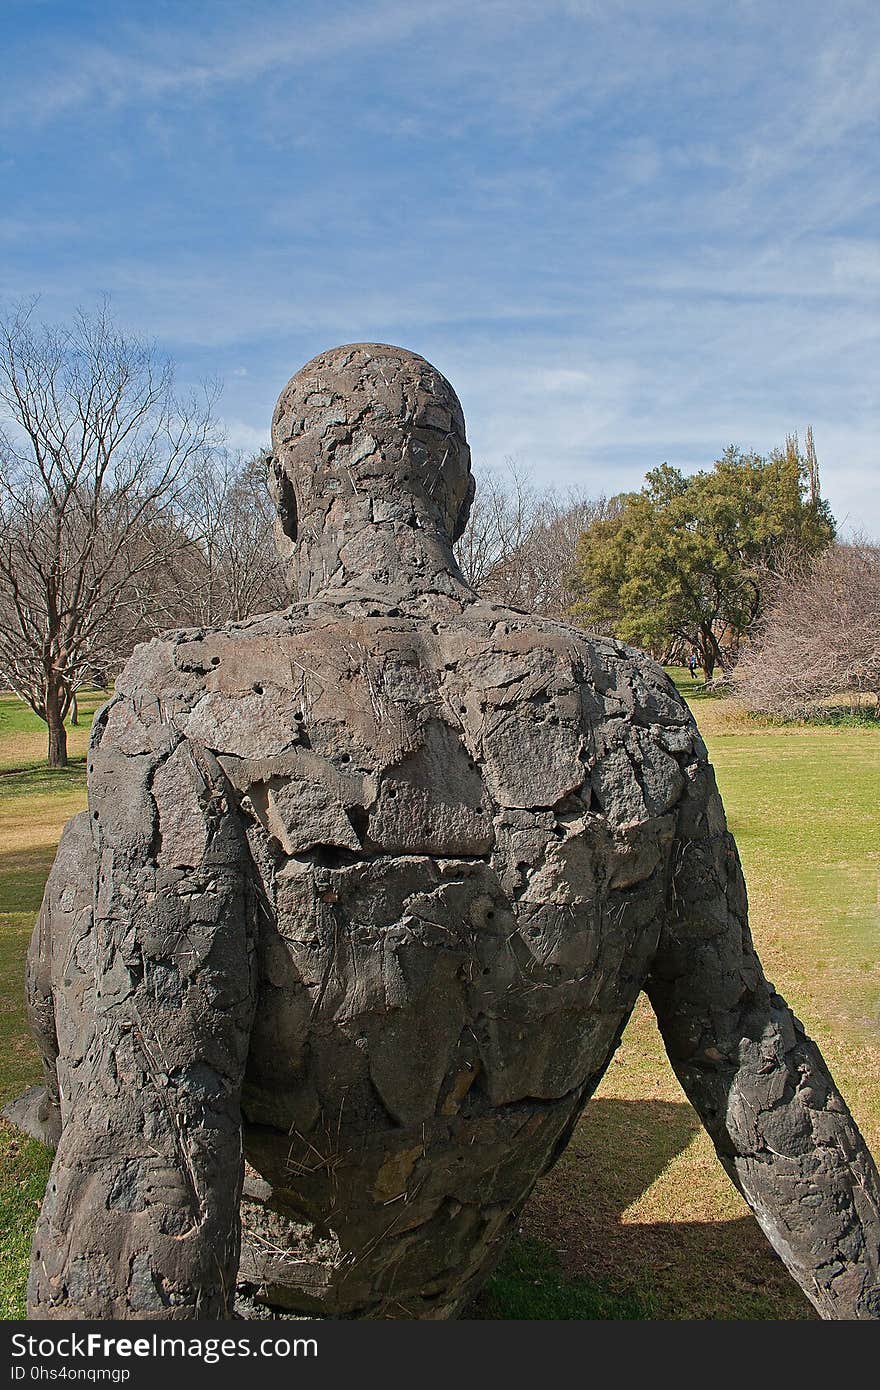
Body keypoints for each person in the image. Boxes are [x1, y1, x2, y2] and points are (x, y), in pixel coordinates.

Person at [18, 344, 880, 1320]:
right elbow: (744, 1040)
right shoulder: (633, 705)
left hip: (281, 1279)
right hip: (446, 1262)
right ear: (462, 492)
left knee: (91, 877)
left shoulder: (188, 703)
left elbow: (145, 1143)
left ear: (283, 497)